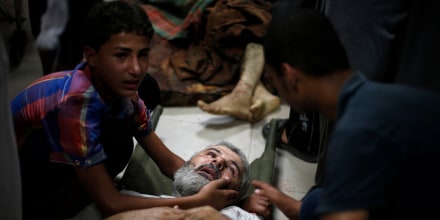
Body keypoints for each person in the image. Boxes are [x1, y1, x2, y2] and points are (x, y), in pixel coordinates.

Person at [11, 2, 240, 219]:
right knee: (119, 143)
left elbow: (168, 162)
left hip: (67, 142)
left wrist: (226, 197)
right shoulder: (76, 105)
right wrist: (196, 202)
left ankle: (89, 179)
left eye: (142, 54)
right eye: (121, 55)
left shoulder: (121, 91)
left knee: (146, 88)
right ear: (92, 55)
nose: (136, 68)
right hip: (18, 171)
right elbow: (110, 205)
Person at [252, 3, 440, 220]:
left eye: (273, 81)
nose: (278, 93)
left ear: (290, 76)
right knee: (317, 201)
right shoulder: (386, 99)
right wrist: (294, 207)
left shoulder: (354, 133)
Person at [71, 141, 270, 220]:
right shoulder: (131, 200)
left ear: (234, 194)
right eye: (211, 154)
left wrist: (241, 203)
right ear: (187, 163)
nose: (217, 161)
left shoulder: (236, 214)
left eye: (231, 169)